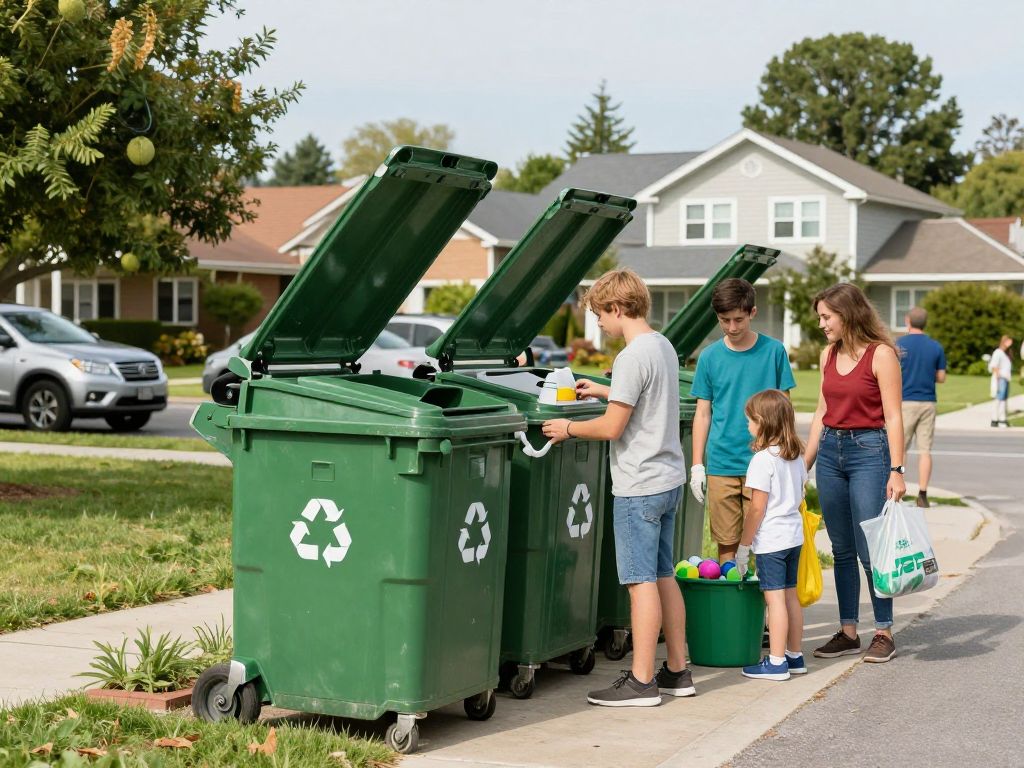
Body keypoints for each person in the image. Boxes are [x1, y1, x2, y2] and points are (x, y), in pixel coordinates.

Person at [542, 268, 691, 707]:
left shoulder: (631, 356)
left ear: (618, 308)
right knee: (664, 575)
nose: (600, 325)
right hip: (668, 479)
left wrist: (567, 427)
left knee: (639, 582)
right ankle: (678, 671)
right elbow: (646, 398)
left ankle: (642, 682)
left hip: (638, 485)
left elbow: (612, 428)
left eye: (600, 315)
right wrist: (606, 390)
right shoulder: (661, 345)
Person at [804, 283, 906, 664]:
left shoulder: (881, 355)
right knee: (841, 547)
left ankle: (883, 630)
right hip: (830, 452)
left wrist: (896, 469)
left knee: (870, 548)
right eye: (820, 317)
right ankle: (848, 632)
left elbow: (894, 415)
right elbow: (820, 412)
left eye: (826, 317)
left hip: (869, 452)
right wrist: (805, 464)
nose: (822, 324)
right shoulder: (827, 354)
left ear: (848, 314)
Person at [689, 278, 796, 564]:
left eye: (738, 319)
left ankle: (766, 606)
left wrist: (787, 457)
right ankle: (732, 606)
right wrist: (697, 464)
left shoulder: (774, 351)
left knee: (765, 544)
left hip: (764, 464)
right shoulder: (710, 357)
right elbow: (703, 413)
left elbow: (785, 410)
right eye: (725, 320)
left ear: (752, 312)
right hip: (722, 463)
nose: (732, 328)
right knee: (726, 545)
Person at [734, 390, 808, 681]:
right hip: (793, 536)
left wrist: (744, 546)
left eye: (750, 420)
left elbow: (756, 509)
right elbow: (800, 495)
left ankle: (776, 663)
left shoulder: (763, 460)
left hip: (773, 541)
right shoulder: (797, 456)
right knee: (791, 597)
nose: (748, 425)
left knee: (774, 600)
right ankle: (794, 656)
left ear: (763, 422)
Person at [896, 307, 946, 507]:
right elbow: (941, 377)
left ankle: (899, 490)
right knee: (925, 450)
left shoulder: (899, 344)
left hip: (905, 400)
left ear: (908, 320)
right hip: (927, 401)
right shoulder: (935, 346)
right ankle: (923, 494)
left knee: (901, 449)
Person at [989, 335, 1013, 428]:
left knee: (1003, 399)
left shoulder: (1005, 354)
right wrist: (998, 379)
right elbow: (994, 366)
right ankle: (996, 418)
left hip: (1005, 378)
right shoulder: (998, 352)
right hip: (1000, 378)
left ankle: (1002, 418)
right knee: (999, 399)